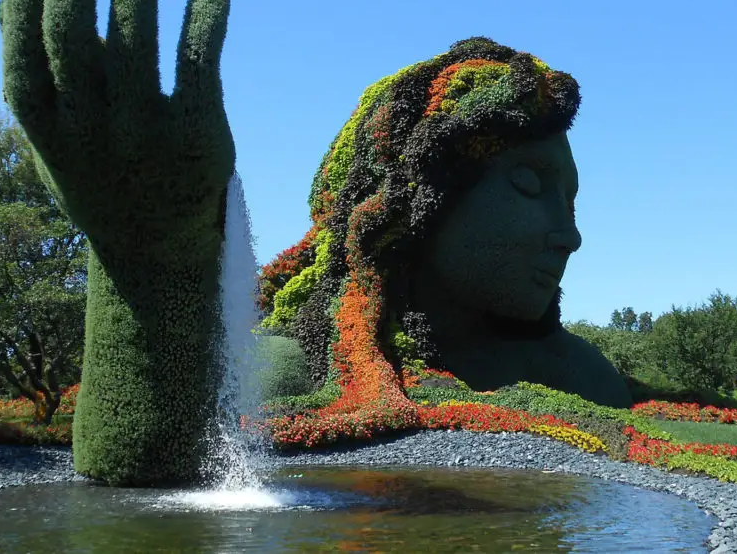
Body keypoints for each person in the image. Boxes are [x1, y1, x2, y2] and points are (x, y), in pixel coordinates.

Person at [258, 36, 631, 411]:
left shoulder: (581, 378)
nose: (570, 236)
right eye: (528, 182)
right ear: (410, 197)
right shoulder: (279, 371)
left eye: (570, 203)